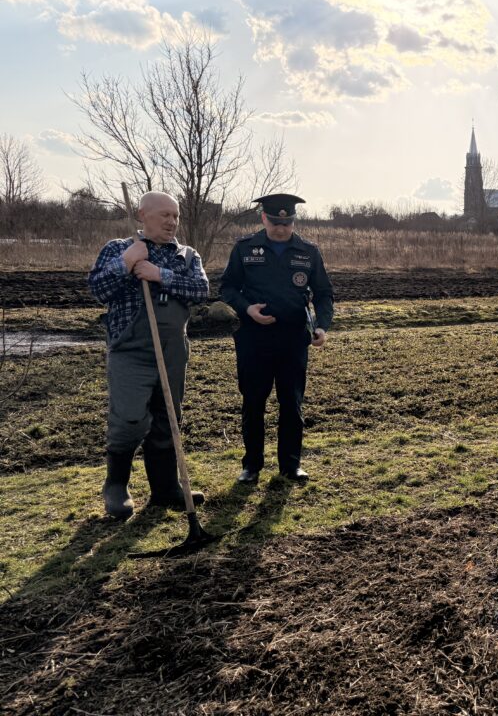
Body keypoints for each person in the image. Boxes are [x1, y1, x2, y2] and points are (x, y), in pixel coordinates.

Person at [87, 190, 210, 520]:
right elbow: (98, 289)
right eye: (164, 215)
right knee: (128, 417)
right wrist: (128, 262)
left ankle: (165, 488)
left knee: (168, 416)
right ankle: (116, 487)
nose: (172, 222)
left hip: (173, 351)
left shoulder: (186, 255)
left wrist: (160, 275)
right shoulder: (118, 248)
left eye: (176, 216)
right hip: (130, 350)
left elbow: (201, 290)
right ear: (143, 215)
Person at [220, 193, 333, 483]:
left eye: (287, 222)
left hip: (293, 339)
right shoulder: (245, 248)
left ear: (293, 221)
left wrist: (321, 326)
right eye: (275, 221)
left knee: (291, 403)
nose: (281, 228)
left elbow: (323, 293)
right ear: (263, 218)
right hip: (253, 338)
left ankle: (290, 465)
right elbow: (228, 288)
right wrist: (247, 309)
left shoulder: (308, 251)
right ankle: (252, 466)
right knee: (254, 403)